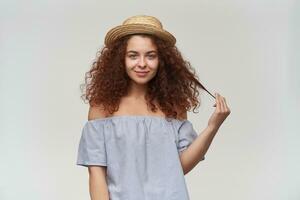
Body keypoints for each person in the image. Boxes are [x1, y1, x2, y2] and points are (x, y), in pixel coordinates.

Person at [76, 15, 231, 200]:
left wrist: (213, 127)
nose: (142, 64)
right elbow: (96, 174)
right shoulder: (102, 109)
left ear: (162, 61)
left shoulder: (173, 106)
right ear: (120, 60)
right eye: (133, 55)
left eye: (151, 56)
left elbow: (179, 167)